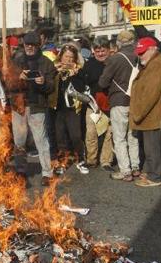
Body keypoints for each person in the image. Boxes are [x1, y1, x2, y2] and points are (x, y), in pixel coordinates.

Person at [11, 31, 56, 185]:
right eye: (26, 44)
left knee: (41, 139)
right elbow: (7, 84)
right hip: (19, 106)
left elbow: (51, 87)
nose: (29, 47)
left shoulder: (47, 63)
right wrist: (18, 78)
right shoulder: (16, 61)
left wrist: (43, 82)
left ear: (39, 45)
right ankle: (20, 171)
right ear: (23, 45)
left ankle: (47, 173)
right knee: (19, 141)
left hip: (37, 106)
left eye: (33, 44)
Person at [129, 37, 161, 187]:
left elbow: (151, 93)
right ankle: (151, 172)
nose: (140, 56)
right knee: (152, 145)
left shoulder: (158, 64)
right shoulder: (154, 62)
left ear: (153, 49)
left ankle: (154, 177)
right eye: (139, 53)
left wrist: (138, 113)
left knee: (152, 146)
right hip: (152, 113)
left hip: (152, 113)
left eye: (142, 52)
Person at [99, 30, 140, 182]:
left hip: (119, 100)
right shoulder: (139, 56)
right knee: (133, 136)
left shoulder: (115, 59)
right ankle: (136, 167)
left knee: (119, 137)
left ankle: (125, 171)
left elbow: (103, 82)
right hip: (135, 101)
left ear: (118, 43)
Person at [49, 44, 88, 175]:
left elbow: (81, 88)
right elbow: (49, 84)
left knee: (76, 136)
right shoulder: (55, 68)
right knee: (60, 138)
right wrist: (56, 71)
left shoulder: (79, 70)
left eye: (71, 57)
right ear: (61, 56)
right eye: (66, 57)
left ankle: (81, 160)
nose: (69, 60)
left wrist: (74, 74)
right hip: (57, 108)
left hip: (72, 109)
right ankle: (63, 162)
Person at [82, 36, 114, 170]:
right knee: (91, 132)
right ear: (93, 51)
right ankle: (91, 159)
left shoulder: (113, 62)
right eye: (97, 50)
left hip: (111, 103)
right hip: (93, 104)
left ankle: (106, 161)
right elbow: (83, 83)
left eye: (103, 50)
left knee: (109, 134)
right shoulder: (89, 64)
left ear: (109, 50)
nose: (100, 53)